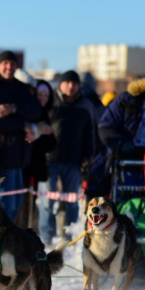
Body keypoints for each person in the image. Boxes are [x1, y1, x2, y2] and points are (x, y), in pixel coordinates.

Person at [0, 51, 41, 220]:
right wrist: (22, 123)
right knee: (4, 205)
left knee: (16, 202)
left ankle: (4, 240)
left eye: (12, 64)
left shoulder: (21, 87)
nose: (9, 67)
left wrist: (13, 109)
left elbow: (35, 110)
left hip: (19, 156)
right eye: (5, 63)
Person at [42, 70, 94, 240]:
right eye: (68, 82)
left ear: (79, 86)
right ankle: (46, 238)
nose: (71, 86)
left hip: (73, 161)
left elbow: (89, 133)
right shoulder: (50, 102)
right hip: (50, 159)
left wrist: (88, 156)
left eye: (75, 83)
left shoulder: (85, 105)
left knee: (72, 203)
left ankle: (70, 238)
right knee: (47, 202)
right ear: (61, 84)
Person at [19, 79, 56, 234]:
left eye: (46, 95)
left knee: (33, 204)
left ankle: (30, 233)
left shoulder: (48, 114)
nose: (43, 98)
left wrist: (41, 134)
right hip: (23, 164)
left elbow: (52, 143)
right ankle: (21, 232)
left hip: (38, 166)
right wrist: (38, 131)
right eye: (40, 94)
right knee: (21, 203)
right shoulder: (29, 111)